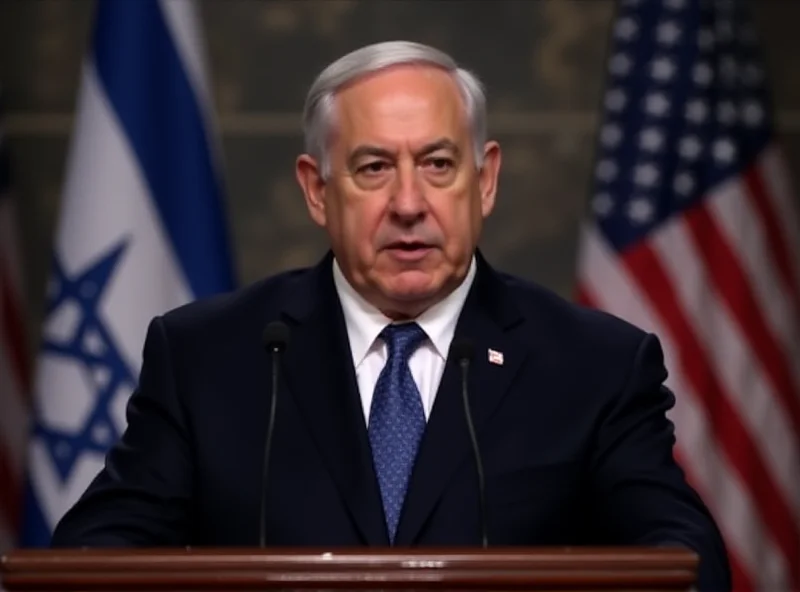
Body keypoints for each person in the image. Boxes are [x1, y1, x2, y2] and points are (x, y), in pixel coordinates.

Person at [51, 41, 731, 590]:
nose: (409, 202)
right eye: (374, 167)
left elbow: (684, 560)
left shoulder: (594, 365)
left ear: (485, 179)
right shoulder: (208, 356)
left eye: (437, 163)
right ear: (317, 190)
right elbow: (95, 558)